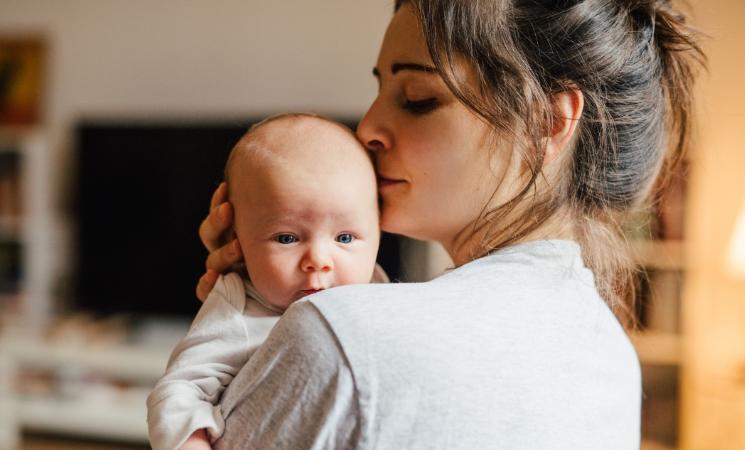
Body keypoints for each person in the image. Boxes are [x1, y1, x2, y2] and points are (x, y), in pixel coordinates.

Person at [195, 0, 704, 448]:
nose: (367, 127)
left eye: (417, 99)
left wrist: (238, 324)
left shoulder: (342, 336)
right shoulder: (611, 356)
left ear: (547, 121)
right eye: (380, 89)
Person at [147, 113, 385, 450]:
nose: (319, 259)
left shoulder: (379, 288)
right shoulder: (238, 305)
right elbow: (180, 391)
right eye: (287, 238)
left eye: (345, 237)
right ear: (237, 241)